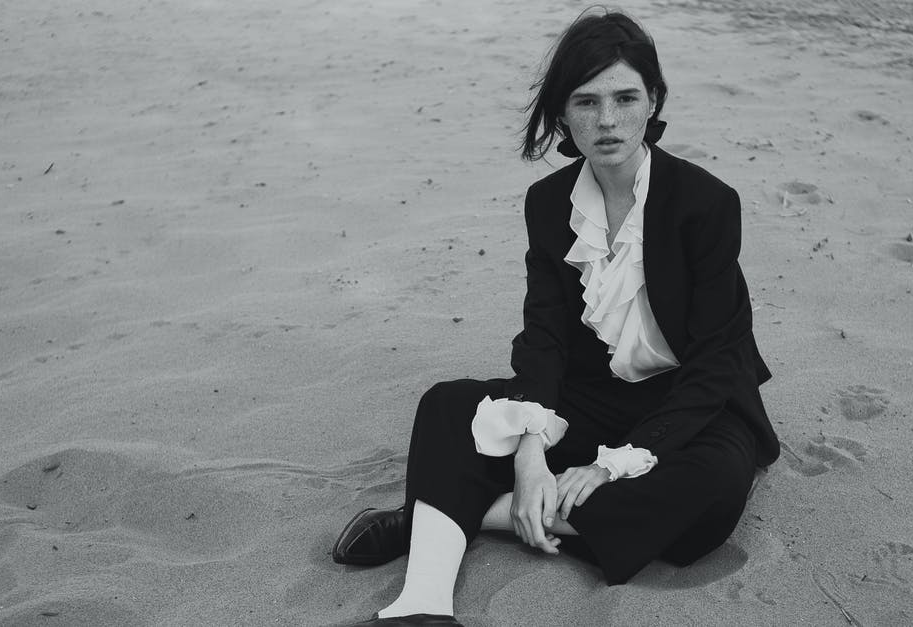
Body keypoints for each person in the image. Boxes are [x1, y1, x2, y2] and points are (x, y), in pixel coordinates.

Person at [328, 9, 780, 626]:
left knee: (713, 497)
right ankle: (422, 603)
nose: (608, 120)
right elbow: (544, 335)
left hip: (693, 405)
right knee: (444, 405)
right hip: (593, 395)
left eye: (626, 98)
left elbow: (717, 361)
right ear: (563, 114)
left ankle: (457, 509)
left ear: (653, 102)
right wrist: (531, 452)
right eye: (586, 102)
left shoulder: (706, 204)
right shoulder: (548, 203)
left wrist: (607, 466)